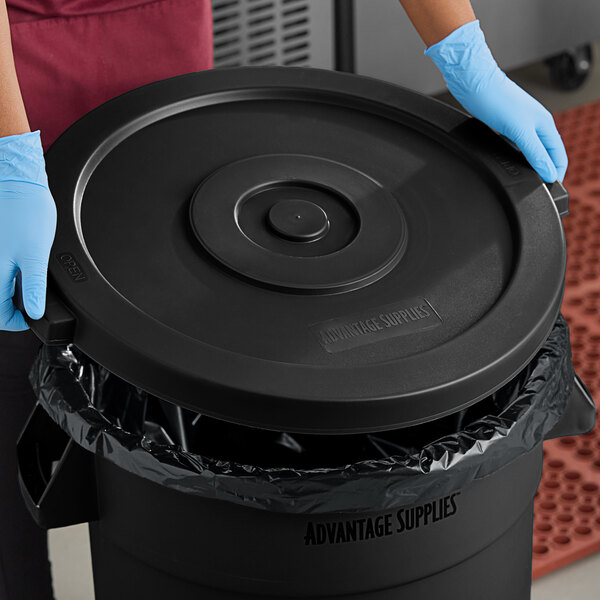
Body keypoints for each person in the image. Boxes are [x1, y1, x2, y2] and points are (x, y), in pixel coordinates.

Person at [0, 1, 567, 598]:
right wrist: (8, 155)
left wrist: (464, 51)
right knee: (18, 355)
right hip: (15, 71)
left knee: (208, 351)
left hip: (161, 54)